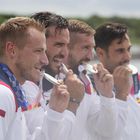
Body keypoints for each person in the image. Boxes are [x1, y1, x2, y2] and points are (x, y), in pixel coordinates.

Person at [0, 16, 71, 140]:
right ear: (11, 50)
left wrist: (55, 112)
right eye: (38, 51)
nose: (45, 60)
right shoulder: (3, 94)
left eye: (44, 51)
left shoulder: (15, 90)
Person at [94, 22, 140, 140]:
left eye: (128, 49)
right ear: (100, 53)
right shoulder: (90, 87)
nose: (128, 56)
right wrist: (121, 94)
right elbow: (106, 133)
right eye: (120, 51)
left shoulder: (137, 79)